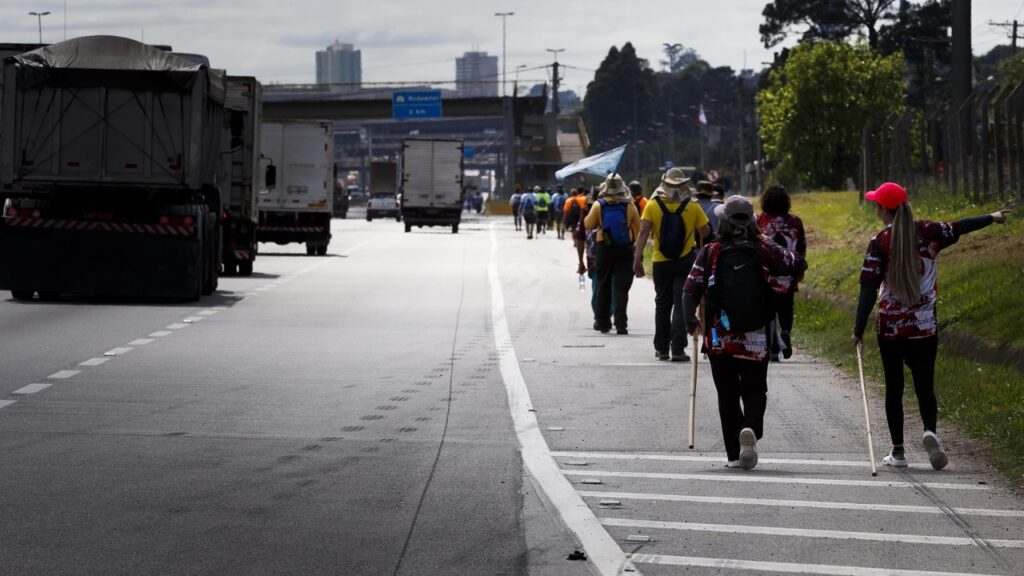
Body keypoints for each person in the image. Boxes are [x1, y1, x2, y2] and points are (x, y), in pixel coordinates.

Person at [852, 182, 1009, 470]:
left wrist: (858, 328)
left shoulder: (879, 242)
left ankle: (898, 453)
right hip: (924, 326)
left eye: (877, 205)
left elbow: (867, 288)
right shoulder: (930, 232)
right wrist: (991, 216)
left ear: (884, 210)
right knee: (925, 386)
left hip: (890, 329)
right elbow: (959, 226)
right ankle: (929, 432)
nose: (876, 209)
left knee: (894, 388)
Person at [682, 196, 807, 469]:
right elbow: (797, 264)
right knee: (754, 390)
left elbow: (690, 290)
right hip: (755, 336)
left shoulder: (711, 250)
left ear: (723, 221)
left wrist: (690, 321)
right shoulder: (763, 248)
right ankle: (749, 427)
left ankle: (733, 455)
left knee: (727, 395)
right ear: (751, 221)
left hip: (719, 337)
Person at [633, 167, 710, 362]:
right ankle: (677, 348)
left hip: (660, 261)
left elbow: (643, 232)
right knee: (680, 303)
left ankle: (661, 348)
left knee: (662, 304)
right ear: (684, 185)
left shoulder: (652, 205)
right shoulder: (693, 206)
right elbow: (706, 231)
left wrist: (637, 258)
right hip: (685, 261)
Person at [585, 174, 641, 334]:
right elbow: (638, 228)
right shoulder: (629, 206)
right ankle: (621, 323)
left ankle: (603, 323)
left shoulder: (598, 205)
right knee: (621, 287)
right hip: (625, 249)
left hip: (604, 248)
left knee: (603, 285)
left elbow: (588, 224)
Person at [757, 185, 806, 361]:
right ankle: (785, 331)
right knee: (786, 307)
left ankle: (773, 347)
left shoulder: (760, 221)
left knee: (768, 310)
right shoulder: (795, 222)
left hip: (767, 276)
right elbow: (801, 248)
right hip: (788, 274)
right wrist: (798, 270)